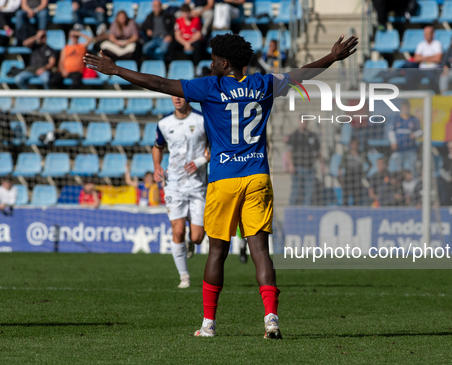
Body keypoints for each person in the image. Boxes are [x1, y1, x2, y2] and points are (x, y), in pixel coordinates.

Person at [84, 31, 358, 339]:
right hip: (257, 176)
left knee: (217, 251)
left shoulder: (210, 87)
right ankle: (271, 319)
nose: (210, 63)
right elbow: (301, 75)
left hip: (224, 179)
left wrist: (117, 69)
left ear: (224, 63)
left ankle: (208, 325)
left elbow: (160, 84)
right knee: (260, 251)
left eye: (214, 59)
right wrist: (332, 57)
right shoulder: (264, 83)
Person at [153, 96, 208, 287]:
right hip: (173, 184)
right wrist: (157, 166)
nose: (177, 98)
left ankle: (191, 241)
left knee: (197, 237)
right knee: (177, 231)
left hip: (197, 184)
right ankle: (184, 277)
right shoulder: (164, 123)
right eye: (173, 95)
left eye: (180, 95)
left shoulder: (202, 120)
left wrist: (201, 161)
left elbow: (214, 146)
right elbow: (157, 147)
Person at [285, 121, 323, 206]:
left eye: (306, 121)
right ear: (299, 122)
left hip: (310, 168)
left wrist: (322, 164)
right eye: (302, 121)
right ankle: (291, 212)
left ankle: (305, 213)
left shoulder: (312, 135)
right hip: (297, 168)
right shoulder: (294, 135)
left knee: (308, 193)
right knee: (296, 192)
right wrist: (290, 165)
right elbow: (288, 151)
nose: (304, 123)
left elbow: (318, 151)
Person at [387, 99, 421, 176]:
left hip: (411, 148)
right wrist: (393, 142)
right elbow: (391, 131)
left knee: (413, 167)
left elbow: (420, 131)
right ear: (401, 108)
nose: (405, 109)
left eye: (407, 107)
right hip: (399, 148)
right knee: (399, 168)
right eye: (404, 107)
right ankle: (400, 184)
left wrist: (415, 134)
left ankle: (414, 183)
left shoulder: (414, 119)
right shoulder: (396, 119)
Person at [338, 138, 365, 206]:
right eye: (353, 144)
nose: (354, 146)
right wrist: (340, 178)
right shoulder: (346, 154)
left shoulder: (362, 154)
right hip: (348, 178)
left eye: (356, 144)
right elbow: (340, 167)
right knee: (345, 198)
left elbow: (369, 164)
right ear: (350, 145)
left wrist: (364, 174)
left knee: (356, 199)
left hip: (357, 178)